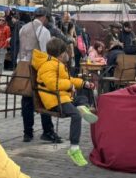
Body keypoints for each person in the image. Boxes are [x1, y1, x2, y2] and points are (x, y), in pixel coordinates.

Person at [32, 38, 98, 166]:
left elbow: (69, 79)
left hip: (63, 98)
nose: (68, 54)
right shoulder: (48, 65)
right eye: (66, 51)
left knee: (83, 98)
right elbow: (52, 84)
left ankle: (82, 107)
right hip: (55, 101)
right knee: (76, 116)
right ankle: (74, 148)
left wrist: (83, 84)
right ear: (61, 53)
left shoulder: (57, 64)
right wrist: (69, 86)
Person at [18, 7, 60, 143]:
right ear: (45, 17)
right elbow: (44, 53)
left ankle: (27, 133)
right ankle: (47, 131)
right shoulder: (43, 31)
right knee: (44, 98)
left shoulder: (23, 28)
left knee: (26, 101)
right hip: (37, 68)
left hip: (23, 66)